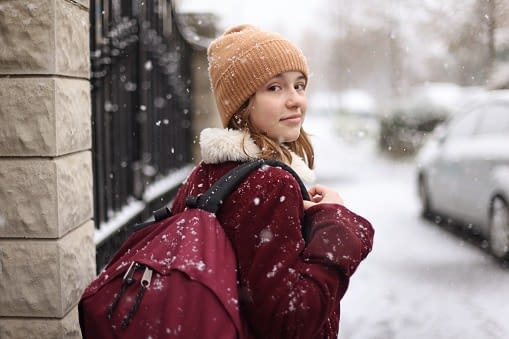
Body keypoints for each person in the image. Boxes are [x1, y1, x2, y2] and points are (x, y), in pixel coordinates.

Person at [170, 24, 374, 339]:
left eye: (299, 85)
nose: (295, 101)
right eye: (275, 88)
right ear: (241, 105)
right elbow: (289, 323)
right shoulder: (270, 183)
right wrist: (336, 224)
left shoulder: (205, 175)